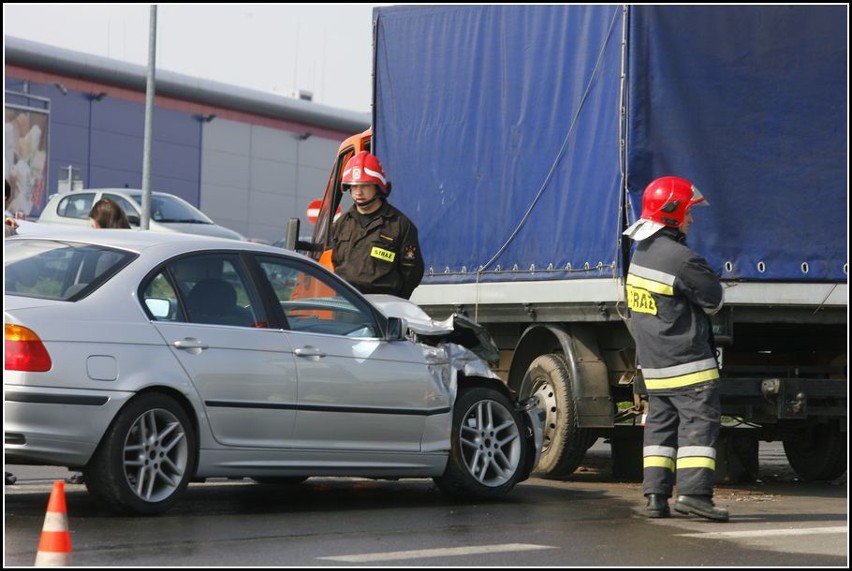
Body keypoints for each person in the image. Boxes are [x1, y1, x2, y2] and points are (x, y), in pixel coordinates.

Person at [623, 175, 729, 522]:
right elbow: (713, 300)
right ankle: (694, 496)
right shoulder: (682, 258)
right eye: (689, 212)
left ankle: (656, 497)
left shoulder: (641, 255)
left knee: (659, 430)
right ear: (672, 212)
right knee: (698, 428)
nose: (692, 219)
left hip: (655, 365)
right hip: (688, 364)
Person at [331, 151, 424, 299]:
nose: (358, 192)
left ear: (378, 186)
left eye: (365, 186)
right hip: (346, 306)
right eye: (354, 187)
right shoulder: (341, 224)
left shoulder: (400, 225)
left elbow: (412, 272)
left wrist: (394, 301)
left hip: (382, 307)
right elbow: (336, 262)